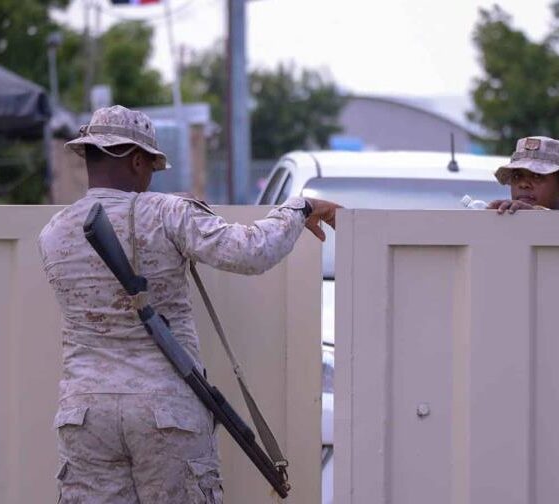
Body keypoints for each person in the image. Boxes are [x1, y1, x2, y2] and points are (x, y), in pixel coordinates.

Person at [38, 105, 341, 503]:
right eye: (150, 167)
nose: (150, 178)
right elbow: (250, 251)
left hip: (85, 414)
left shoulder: (53, 233)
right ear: (135, 160)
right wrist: (298, 208)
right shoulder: (167, 213)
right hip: (165, 410)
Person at [488, 136, 559, 214]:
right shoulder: (499, 224)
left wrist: (538, 214)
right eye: (516, 176)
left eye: (537, 176)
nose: (523, 184)